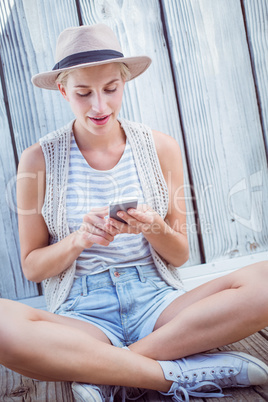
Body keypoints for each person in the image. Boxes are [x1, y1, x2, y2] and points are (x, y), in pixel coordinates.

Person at [0, 23, 268, 402]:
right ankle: (174, 373)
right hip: (83, 315)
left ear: (124, 83)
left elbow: (179, 254)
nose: (99, 106)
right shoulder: (38, 159)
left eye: (111, 89)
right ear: (62, 91)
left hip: (159, 305)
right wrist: (79, 239)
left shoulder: (161, 147)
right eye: (83, 93)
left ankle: (108, 371)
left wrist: (154, 226)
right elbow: (32, 267)